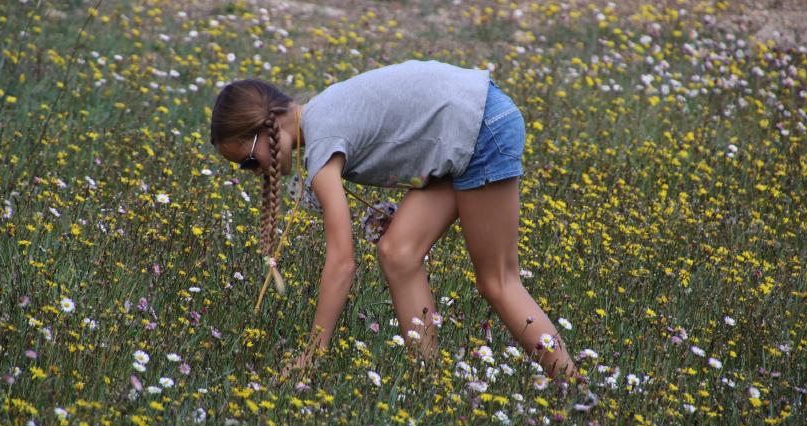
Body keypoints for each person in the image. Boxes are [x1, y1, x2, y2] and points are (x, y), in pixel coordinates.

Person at [210, 60, 576, 380]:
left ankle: (576, 393)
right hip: (462, 128)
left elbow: (342, 262)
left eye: (248, 162)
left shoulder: (322, 141)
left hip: (480, 127)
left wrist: (314, 351)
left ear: (267, 125)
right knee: (398, 253)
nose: (252, 173)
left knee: (498, 281)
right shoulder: (320, 118)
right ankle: (431, 382)